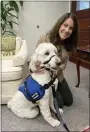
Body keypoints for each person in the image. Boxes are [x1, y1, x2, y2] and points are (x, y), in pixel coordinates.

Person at [36, 12, 79, 108]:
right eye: (65, 25)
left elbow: (64, 64)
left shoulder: (68, 45)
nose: (67, 30)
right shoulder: (44, 38)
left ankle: (56, 89)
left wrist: (57, 71)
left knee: (69, 101)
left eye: (71, 28)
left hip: (57, 75)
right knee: (59, 104)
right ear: (60, 24)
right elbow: (36, 58)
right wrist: (36, 69)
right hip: (44, 76)